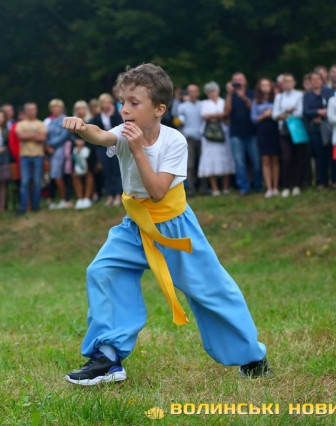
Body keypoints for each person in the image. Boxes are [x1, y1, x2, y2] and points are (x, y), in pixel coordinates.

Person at [62, 63, 269, 386]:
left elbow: (158, 191)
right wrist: (82, 128)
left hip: (176, 229)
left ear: (159, 109)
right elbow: (100, 136)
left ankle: (251, 356)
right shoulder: (122, 132)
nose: (125, 109)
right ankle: (108, 358)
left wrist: (138, 151)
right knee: (103, 271)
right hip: (135, 226)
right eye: (122, 101)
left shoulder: (175, 142)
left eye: (134, 102)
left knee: (212, 289)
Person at [225, 73, 262, 194]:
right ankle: (243, 187)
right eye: (235, 80)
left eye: (240, 79)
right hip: (236, 133)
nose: (238, 82)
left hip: (252, 132)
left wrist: (244, 97)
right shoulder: (230, 95)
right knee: (239, 162)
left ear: (245, 81)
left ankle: (258, 185)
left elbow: (255, 110)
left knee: (256, 161)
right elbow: (226, 112)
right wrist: (229, 94)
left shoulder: (251, 93)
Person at [198, 81, 235, 196]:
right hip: (209, 136)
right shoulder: (204, 103)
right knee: (210, 160)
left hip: (223, 134)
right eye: (209, 92)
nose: (211, 94)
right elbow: (204, 115)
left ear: (218, 91)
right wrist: (219, 115)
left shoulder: (223, 102)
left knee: (226, 159)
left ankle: (225, 187)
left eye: (213, 91)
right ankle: (215, 189)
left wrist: (215, 115)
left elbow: (226, 114)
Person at [272, 73, 306, 197]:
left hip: (297, 129)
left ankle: (297, 185)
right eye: (285, 81)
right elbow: (274, 115)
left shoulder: (300, 95)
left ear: (294, 83)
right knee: (286, 158)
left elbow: (300, 112)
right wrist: (286, 113)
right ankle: (286, 185)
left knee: (299, 157)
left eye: (290, 81)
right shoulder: (279, 97)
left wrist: (287, 113)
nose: (287, 84)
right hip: (284, 130)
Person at [89, 93, 123, 205]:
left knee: (117, 171)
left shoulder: (117, 115)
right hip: (102, 147)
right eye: (104, 102)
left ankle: (118, 195)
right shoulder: (97, 117)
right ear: (101, 104)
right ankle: (110, 196)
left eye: (109, 102)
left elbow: (119, 127)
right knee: (107, 172)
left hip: (116, 145)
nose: (107, 104)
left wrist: (112, 115)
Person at [303, 72, 335, 189]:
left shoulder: (329, 92)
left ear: (322, 81)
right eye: (313, 79)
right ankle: (322, 181)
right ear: (310, 82)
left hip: (329, 126)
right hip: (315, 128)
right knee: (319, 156)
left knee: (331, 154)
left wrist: (326, 112)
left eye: (318, 79)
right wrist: (317, 112)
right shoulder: (307, 96)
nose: (316, 81)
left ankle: (335, 180)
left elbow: (335, 106)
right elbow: (305, 111)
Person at [15, 102, 47, 215]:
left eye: (33, 109)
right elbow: (20, 136)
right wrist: (35, 135)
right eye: (29, 110)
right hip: (25, 156)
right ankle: (22, 207)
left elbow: (42, 137)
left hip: (38, 155)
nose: (32, 112)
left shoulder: (41, 124)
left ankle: (35, 206)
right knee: (25, 182)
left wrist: (27, 136)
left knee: (37, 182)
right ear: (25, 111)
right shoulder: (20, 124)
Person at [251, 78, 280, 198]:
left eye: (267, 85)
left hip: (275, 130)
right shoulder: (256, 101)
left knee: (275, 159)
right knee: (266, 159)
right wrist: (264, 115)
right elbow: (253, 119)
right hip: (262, 131)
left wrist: (273, 113)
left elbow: (280, 112)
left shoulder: (277, 98)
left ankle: (275, 186)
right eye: (263, 85)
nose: (265, 88)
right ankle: (269, 187)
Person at [46, 99, 73, 209]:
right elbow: (46, 135)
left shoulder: (65, 119)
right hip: (51, 152)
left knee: (57, 174)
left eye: (57, 107)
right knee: (54, 175)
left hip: (61, 150)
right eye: (53, 107)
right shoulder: (51, 122)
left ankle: (64, 199)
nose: (54, 109)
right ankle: (58, 199)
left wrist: (50, 144)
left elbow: (64, 135)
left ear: (61, 108)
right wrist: (47, 147)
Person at [177, 84, 203, 196]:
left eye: (195, 91)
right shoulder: (182, 107)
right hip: (189, 138)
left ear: (198, 92)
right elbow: (178, 122)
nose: (193, 94)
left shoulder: (202, 105)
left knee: (202, 164)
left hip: (202, 137)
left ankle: (203, 188)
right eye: (191, 92)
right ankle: (191, 189)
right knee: (190, 165)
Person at [71, 100, 95, 208]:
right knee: (75, 174)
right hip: (76, 151)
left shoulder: (92, 121)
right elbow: (70, 136)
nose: (80, 111)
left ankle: (87, 198)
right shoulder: (72, 122)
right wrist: (76, 142)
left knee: (89, 173)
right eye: (78, 109)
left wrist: (84, 142)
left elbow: (95, 135)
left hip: (89, 150)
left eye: (82, 108)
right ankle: (80, 199)